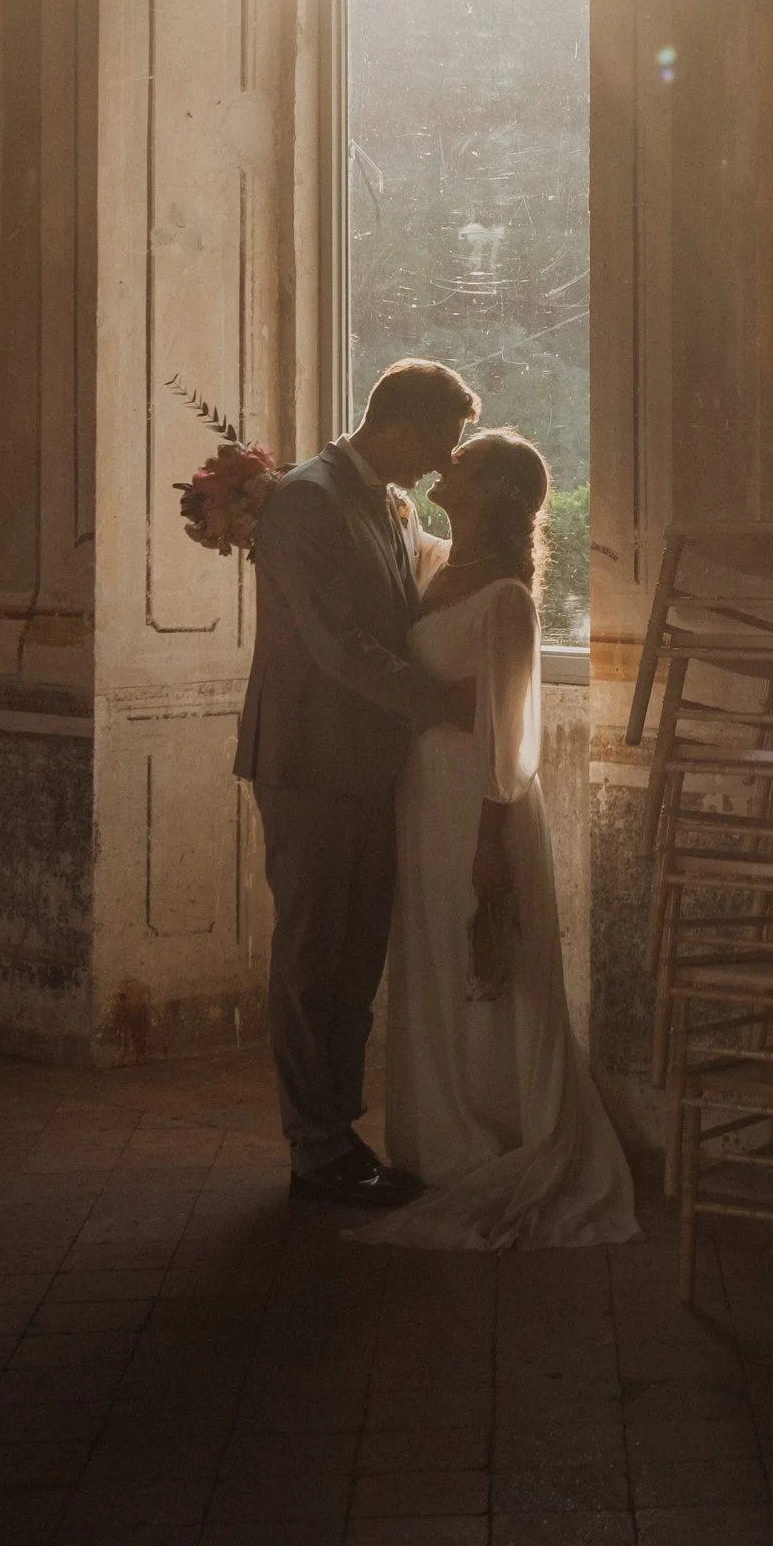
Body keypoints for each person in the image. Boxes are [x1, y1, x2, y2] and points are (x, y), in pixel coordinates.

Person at [366, 429, 638, 1251]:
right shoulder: (435, 560)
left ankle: (500, 1129)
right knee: (432, 957)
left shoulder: (509, 598)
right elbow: (383, 515)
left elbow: (509, 737)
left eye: (466, 459)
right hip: (422, 796)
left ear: (492, 490)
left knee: (485, 960)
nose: (445, 463)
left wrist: (491, 844)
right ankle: (439, 1137)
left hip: (481, 804)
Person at [234, 357, 481, 1205]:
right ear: (403, 426)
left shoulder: (386, 498)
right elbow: (335, 645)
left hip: (372, 761)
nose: (443, 462)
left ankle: (340, 1131)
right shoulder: (307, 498)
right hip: (306, 758)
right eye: (441, 443)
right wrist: (441, 702)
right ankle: (313, 1146)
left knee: (356, 957)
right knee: (312, 958)